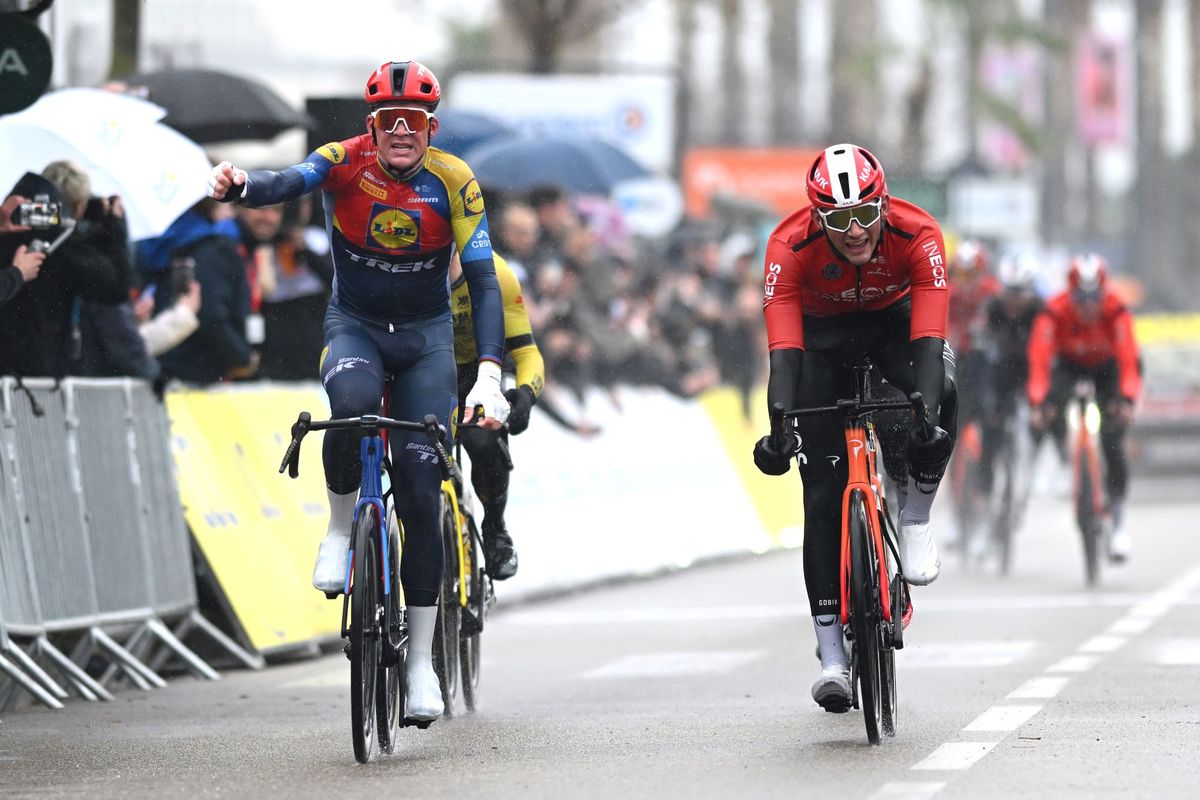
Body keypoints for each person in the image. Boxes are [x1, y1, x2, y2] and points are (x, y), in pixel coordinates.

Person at [207, 59, 508, 723]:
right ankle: (342, 531)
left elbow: (484, 283)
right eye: (388, 121)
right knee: (348, 413)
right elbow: (290, 181)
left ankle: (422, 665)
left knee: (424, 488)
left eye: (416, 121)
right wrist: (242, 185)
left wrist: (487, 369)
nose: (402, 132)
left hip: (426, 338)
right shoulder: (344, 160)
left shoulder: (454, 181)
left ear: (433, 127)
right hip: (358, 328)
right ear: (372, 126)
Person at [751, 144, 956, 714]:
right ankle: (831, 659)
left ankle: (914, 517)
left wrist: (929, 420)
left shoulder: (920, 234)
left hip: (893, 324)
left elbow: (929, 342)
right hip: (819, 341)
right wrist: (777, 430)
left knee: (940, 396)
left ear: (884, 205)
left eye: (866, 214)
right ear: (818, 217)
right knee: (819, 495)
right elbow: (784, 354)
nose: (855, 231)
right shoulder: (787, 248)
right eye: (839, 220)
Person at [1027, 253, 1140, 562]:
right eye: (1082, 299)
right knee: (1049, 410)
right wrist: (1039, 403)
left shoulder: (1116, 312)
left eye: (1095, 298)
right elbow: (1039, 362)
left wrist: (1127, 399)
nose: (1089, 307)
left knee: (1113, 436)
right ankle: (1066, 459)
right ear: (1071, 293)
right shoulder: (1054, 312)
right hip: (1069, 365)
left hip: (1107, 368)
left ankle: (1117, 520)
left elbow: (1129, 360)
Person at [450, 251, 544, 579]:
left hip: (478, 376)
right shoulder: (409, 267)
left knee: (483, 440)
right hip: (427, 372)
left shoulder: (497, 272)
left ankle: (494, 529)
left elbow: (527, 352)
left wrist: (526, 395)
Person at [0, 171, 129, 378]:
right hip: (34, 372)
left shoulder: (19, 228)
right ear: (78, 204)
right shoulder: (64, 244)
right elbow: (115, 286)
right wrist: (114, 228)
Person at [977, 252, 1043, 504]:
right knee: (989, 423)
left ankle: (1040, 462)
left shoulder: (1040, 310)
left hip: (1031, 369)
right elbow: (984, 341)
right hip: (1002, 370)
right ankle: (984, 490)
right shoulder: (993, 308)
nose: (1014, 301)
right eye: (1010, 293)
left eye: (1020, 293)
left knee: (1045, 410)